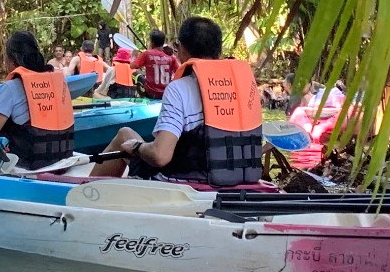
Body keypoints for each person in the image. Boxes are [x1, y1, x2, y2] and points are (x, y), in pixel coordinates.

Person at [91, 15, 263, 187]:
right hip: (239, 181)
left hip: (183, 185)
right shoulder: (245, 89)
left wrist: (136, 147)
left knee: (124, 135)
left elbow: (160, 155)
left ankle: (83, 193)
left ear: (181, 49)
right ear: (219, 53)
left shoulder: (179, 89)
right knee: (130, 136)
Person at [0, 30, 76, 170]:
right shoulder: (58, 80)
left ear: (12, 59)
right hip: (62, 160)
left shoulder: (11, 87)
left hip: (27, 165)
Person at [137, 29, 176, 99]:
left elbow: (133, 66)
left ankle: (143, 97)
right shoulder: (171, 57)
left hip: (150, 93)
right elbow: (180, 71)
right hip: (166, 92)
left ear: (152, 43)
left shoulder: (147, 54)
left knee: (135, 75)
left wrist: (133, 55)